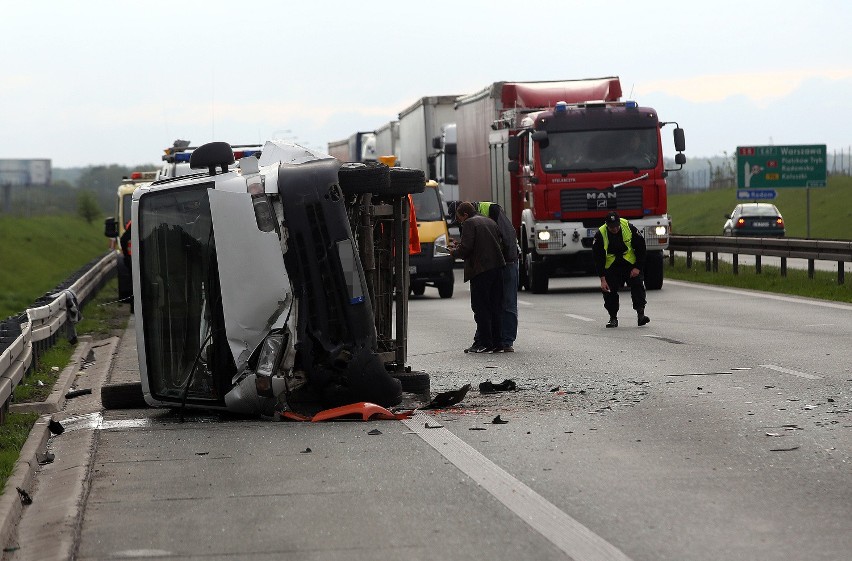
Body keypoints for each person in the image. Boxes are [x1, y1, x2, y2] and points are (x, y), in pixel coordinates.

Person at [449, 202, 505, 353]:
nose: (460, 222)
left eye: (459, 219)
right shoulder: (489, 221)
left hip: (481, 270)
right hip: (497, 268)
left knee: (481, 308)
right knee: (495, 307)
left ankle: (485, 343)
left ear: (465, 215)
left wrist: (453, 252)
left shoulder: (469, 223)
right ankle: (498, 343)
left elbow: (467, 248)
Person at [592, 211, 650, 328]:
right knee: (609, 291)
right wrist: (602, 279)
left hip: (629, 263)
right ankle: (613, 317)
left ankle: (641, 315)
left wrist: (638, 268)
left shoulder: (629, 227)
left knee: (638, 284)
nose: (615, 229)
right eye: (611, 227)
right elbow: (598, 258)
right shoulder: (600, 234)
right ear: (607, 225)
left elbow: (641, 247)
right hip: (612, 265)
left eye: (616, 226)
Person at [477, 201, 518, 353]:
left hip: (506, 262)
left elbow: (509, 236)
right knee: (490, 304)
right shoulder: (474, 218)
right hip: (494, 264)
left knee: (507, 303)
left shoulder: (491, 210)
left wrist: (506, 260)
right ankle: (491, 340)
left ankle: (506, 341)